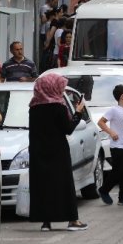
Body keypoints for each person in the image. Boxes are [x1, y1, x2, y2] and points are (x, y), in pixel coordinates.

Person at [28, 74, 88, 231]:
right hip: (57, 152)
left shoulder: (33, 107)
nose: (62, 91)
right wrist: (78, 112)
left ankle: (46, 222)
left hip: (38, 152)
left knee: (43, 186)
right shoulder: (58, 107)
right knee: (63, 185)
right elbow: (68, 129)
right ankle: (72, 220)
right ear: (53, 87)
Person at [96, 85, 123, 206]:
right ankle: (104, 190)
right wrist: (111, 132)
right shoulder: (114, 110)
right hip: (117, 145)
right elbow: (101, 122)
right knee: (117, 171)